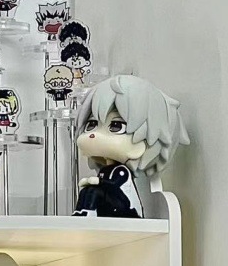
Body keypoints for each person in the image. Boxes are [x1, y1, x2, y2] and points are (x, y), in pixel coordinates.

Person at [74, 75, 189, 219]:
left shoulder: (121, 171)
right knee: (88, 191)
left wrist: (98, 182)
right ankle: (83, 213)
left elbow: (114, 185)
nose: (93, 134)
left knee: (94, 192)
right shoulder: (106, 170)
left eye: (116, 126)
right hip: (110, 209)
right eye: (91, 124)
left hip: (125, 209)